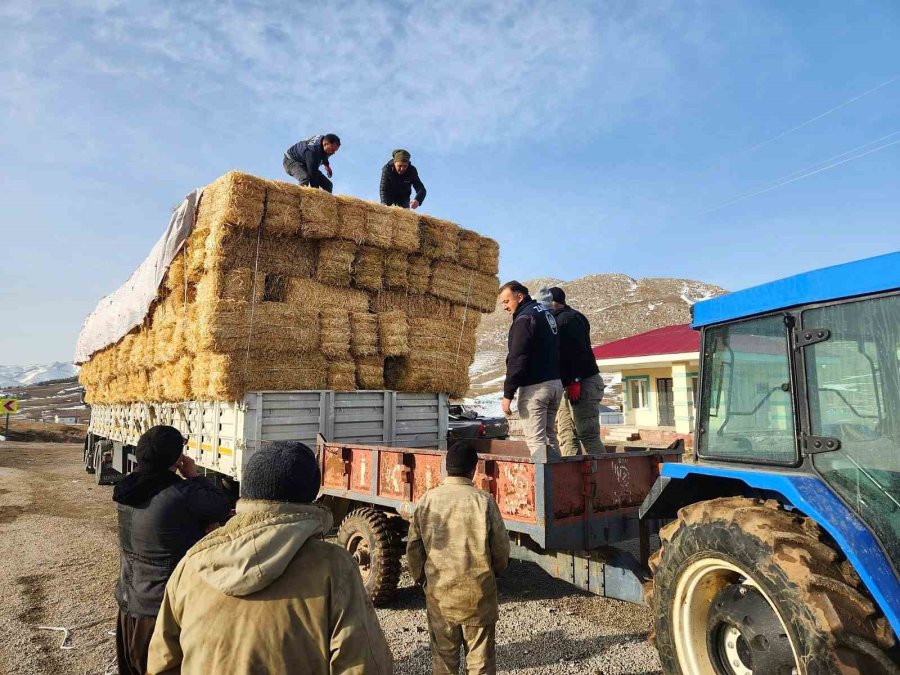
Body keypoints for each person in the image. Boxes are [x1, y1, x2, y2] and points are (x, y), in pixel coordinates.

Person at [146, 441, 393, 675]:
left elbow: (162, 663)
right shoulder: (334, 567)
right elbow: (364, 665)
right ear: (312, 493)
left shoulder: (192, 562)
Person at [113, 425, 231, 675]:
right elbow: (221, 505)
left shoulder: (128, 489)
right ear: (177, 459)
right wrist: (195, 476)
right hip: (161, 613)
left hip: (128, 606)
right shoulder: (182, 493)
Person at [407, 441, 510, 674]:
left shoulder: (426, 501)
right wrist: (492, 574)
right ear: (473, 470)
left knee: (444, 663)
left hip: (440, 598)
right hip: (478, 598)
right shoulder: (484, 501)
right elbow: (501, 551)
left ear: (446, 469)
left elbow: (414, 549)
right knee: (480, 664)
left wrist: (423, 580)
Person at [497, 280, 564, 459]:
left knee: (536, 442)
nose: (504, 307)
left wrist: (508, 394)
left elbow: (517, 357)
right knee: (550, 438)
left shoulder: (525, 318)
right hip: (555, 384)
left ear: (519, 297)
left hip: (536, 387)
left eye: (506, 301)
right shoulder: (545, 314)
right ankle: (558, 481)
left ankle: (544, 485)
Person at [539, 286, 606, 455]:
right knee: (567, 434)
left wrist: (575, 380)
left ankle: (605, 478)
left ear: (554, 302)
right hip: (566, 385)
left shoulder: (569, 320)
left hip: (584, 382)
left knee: (587, 433)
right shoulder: (557, 320)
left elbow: (578, 351)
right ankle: (570, 477)